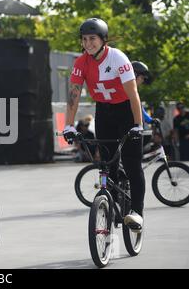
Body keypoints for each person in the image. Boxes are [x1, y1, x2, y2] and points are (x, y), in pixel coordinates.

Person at [62, 18, 145, 232]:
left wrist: (138, 124)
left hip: (126, 111)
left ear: (103, 40)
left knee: (132, 163)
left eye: (93, 39)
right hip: (104, 112)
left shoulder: (117, 58)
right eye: (85, 39)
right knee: (108, 163)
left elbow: (133, 93)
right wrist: (69, 125)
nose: (88, 43)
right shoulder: (81, 63)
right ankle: (114, 202)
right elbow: (73, 96)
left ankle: (137, 213)